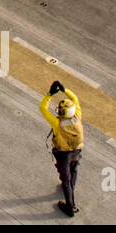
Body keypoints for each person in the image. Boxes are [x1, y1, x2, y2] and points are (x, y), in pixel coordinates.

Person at [40, 79, 83, 217]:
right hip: (77, 150)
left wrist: (50, 94)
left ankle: (70, 207)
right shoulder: (78, 115)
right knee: (74, 168)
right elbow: (75, 98)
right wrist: (65, 90)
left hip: (63, 154)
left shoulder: (57, 123)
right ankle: (72, 187)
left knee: (65, 181)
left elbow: (42, 108)